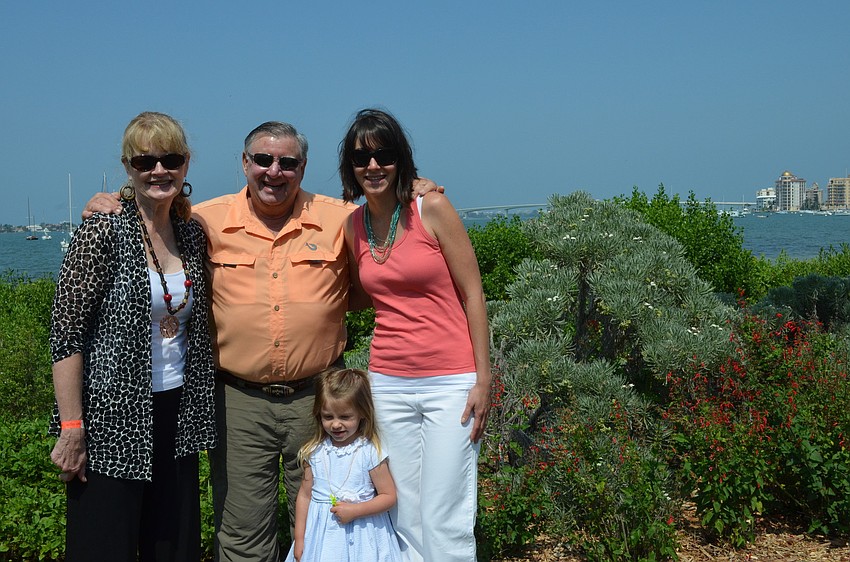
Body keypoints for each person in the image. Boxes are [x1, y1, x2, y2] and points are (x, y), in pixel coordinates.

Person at [83, 120, 439, 561]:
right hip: (238, 403)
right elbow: (151, 206)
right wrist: (113, 200)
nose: (274, 171)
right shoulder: (202, 220)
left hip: (320, 401)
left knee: (329, 523)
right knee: (242, 533)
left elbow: (378, 262)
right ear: (245, 163)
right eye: (264, 160)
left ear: (303, 167)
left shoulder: (342, 218)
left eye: (287, 162)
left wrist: (415, 190)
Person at [49, 111, 217, 561]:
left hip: (178, 414)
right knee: (104, 546)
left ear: (186, 164)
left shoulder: (191, 234)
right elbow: (66, 335)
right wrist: (71, 428)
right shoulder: (102, 230)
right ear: (127, 167)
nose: (159, 170)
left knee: (174, 547)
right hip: (111, 421)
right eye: (145, 162)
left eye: (170, 159)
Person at [339, 108, 492, 562]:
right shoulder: (352, 226)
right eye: (361, 158)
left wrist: (483, 380)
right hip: (388, 382)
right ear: (350, 166)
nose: (373, 166)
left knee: (445, 509)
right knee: (402, 508)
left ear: (400, 159)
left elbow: (474, 294)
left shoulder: (432, 208)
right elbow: (360, 295)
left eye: (384, 155)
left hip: (451, 383)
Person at [285, 368, 402, 562]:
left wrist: (356, 511)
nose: (336, 424)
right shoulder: (314, 452)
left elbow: (388, 496)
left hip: (363, 535)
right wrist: (299, 538)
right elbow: (305, 496)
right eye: (328, 417)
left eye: (345, 417)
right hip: (321, 538)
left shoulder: (369, 452)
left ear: (362, 413)